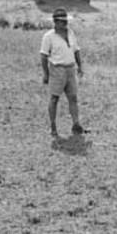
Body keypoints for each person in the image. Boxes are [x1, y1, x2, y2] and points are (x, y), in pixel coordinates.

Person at [40, 8, 87, 137]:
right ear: (55, 22)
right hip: (57, 69)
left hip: (70, 69)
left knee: (73, 97)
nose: (64, 23)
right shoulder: (48, 37)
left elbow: (76, 50)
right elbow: (43, 56)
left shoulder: (71, 33)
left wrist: (80, 66)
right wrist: (46, 73)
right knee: (54, 98)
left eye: (65, 21)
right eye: (61, 21)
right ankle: (53, 126)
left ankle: (76, 124)